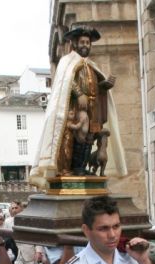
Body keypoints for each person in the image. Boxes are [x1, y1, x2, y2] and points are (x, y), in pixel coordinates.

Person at [31, 24, 127, 184]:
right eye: (82, 42)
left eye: (88, 43)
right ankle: (73, 167)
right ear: (75, 43)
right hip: (76, 108)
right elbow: (65, 82)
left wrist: (105, 85)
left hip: (93, 108)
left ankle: (82, 167)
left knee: (90, 136)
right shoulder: (67, 62)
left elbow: (95, 86)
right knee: (78, 136)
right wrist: (79, 93)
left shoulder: (90, 65)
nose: (85, 46)